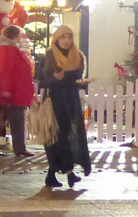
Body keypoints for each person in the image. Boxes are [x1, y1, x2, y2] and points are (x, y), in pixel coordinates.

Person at [38, 25, 91, 188]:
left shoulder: (78, 56)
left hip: (71, 100)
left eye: (69, 37)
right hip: (54, 101)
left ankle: (53, 174)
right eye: (63, 37)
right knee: (57, 135)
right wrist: (54, 78)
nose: (67, 41)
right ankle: (68, 173)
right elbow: (41, 81)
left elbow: (77, 78)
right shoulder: (48, 56)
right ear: (57, 39)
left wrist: (81, 83)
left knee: (68, 134)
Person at [0, 24, 35, 158]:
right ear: (16, 36)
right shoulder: (8, 50)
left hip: (9, 91)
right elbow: (5, 71)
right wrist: (6, 90)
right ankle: (19, 148)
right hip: (13, 93)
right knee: (16, 121)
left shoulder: (4, 49)